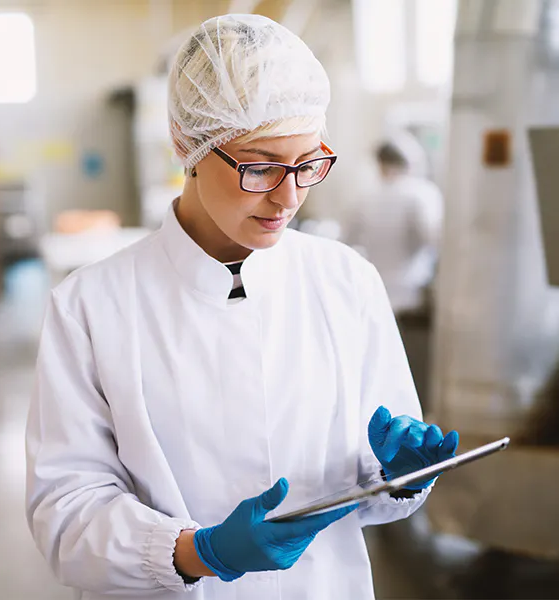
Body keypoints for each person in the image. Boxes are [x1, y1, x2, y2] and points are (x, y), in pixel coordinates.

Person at [26, 14, 459, 600]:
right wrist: (196, 553)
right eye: (260, 167)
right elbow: (66, 516)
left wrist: (399, 476)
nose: (288, 196)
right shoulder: (91, 307)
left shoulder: (345, 281)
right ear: (187, 145)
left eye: (308, 164)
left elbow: (374, 500)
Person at [345, 134, 444, 315]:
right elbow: (435, 241)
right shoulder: (421, 194)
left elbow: (346, 243)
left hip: (375, 292)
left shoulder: (365, 197)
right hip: (412, 296)